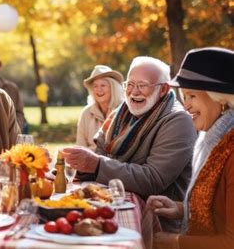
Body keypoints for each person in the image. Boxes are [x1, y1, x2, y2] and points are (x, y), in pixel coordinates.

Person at [63, 56, 197, 232]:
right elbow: (100, 154)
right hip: (116, 209)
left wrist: (95, 165)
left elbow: (153, 179)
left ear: (163, 89)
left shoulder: (178, 121)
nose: (134, 92)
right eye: (130, 85)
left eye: (142, 85)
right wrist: (80, 164)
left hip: (159, 226)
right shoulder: (120, 113)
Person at [147, 47, 234, 249]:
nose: (186, 106)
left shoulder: (230, 152)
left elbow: (230, 247)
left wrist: (175, 242)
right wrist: (180, 209)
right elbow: (218, 211)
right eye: (184, 96)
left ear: (222, 100)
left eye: (192, 96)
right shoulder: (210, 140)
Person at [76, 65, 124, 151]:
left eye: (103, 85)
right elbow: (80, 146)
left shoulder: (123, 111)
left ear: (113, 88)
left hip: (114, 162)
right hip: (88, 161)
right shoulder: (86, 113)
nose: (99, 89)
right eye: (95, 86)